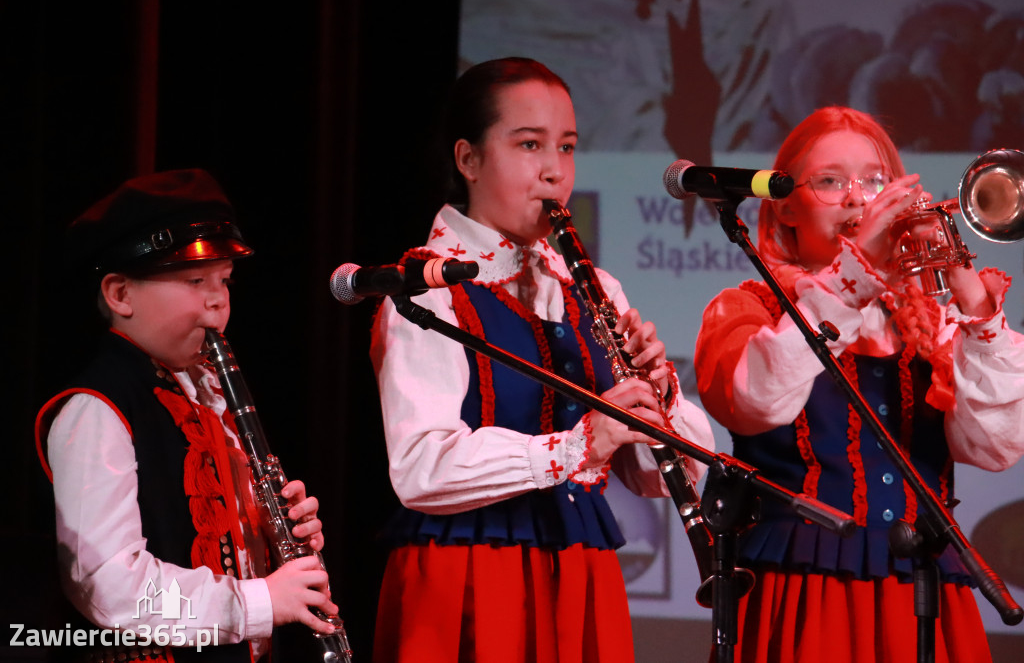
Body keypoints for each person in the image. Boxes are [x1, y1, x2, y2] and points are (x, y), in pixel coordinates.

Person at [369, 56, 715, 662]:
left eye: (567, 147)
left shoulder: (594, 288)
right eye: (529, 145)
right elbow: (420, 466)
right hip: (472, 579)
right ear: (468, 159)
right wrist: (581, 444)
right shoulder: (424, 291)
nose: (555, 171)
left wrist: (659, 397)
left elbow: (667, 477)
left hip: (579, 575)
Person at [694, 106, 1024, 662]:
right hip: (804, 590)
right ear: (788, 207)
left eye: (874, 180)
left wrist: (971, 298)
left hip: (924, 591)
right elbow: (754, 402)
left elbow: (996, 449)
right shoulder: (748, 308)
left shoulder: (931, 324)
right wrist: (852, 279)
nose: (855, 197)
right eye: (829, 181)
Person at [35, 169, 338, 662]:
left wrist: (269, 536)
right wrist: (259, 602)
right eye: (195, 280)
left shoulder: (209, 392)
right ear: (120, 294)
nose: (218, 299)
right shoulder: (98, 407)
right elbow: (110, 586)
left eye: (224, 281)